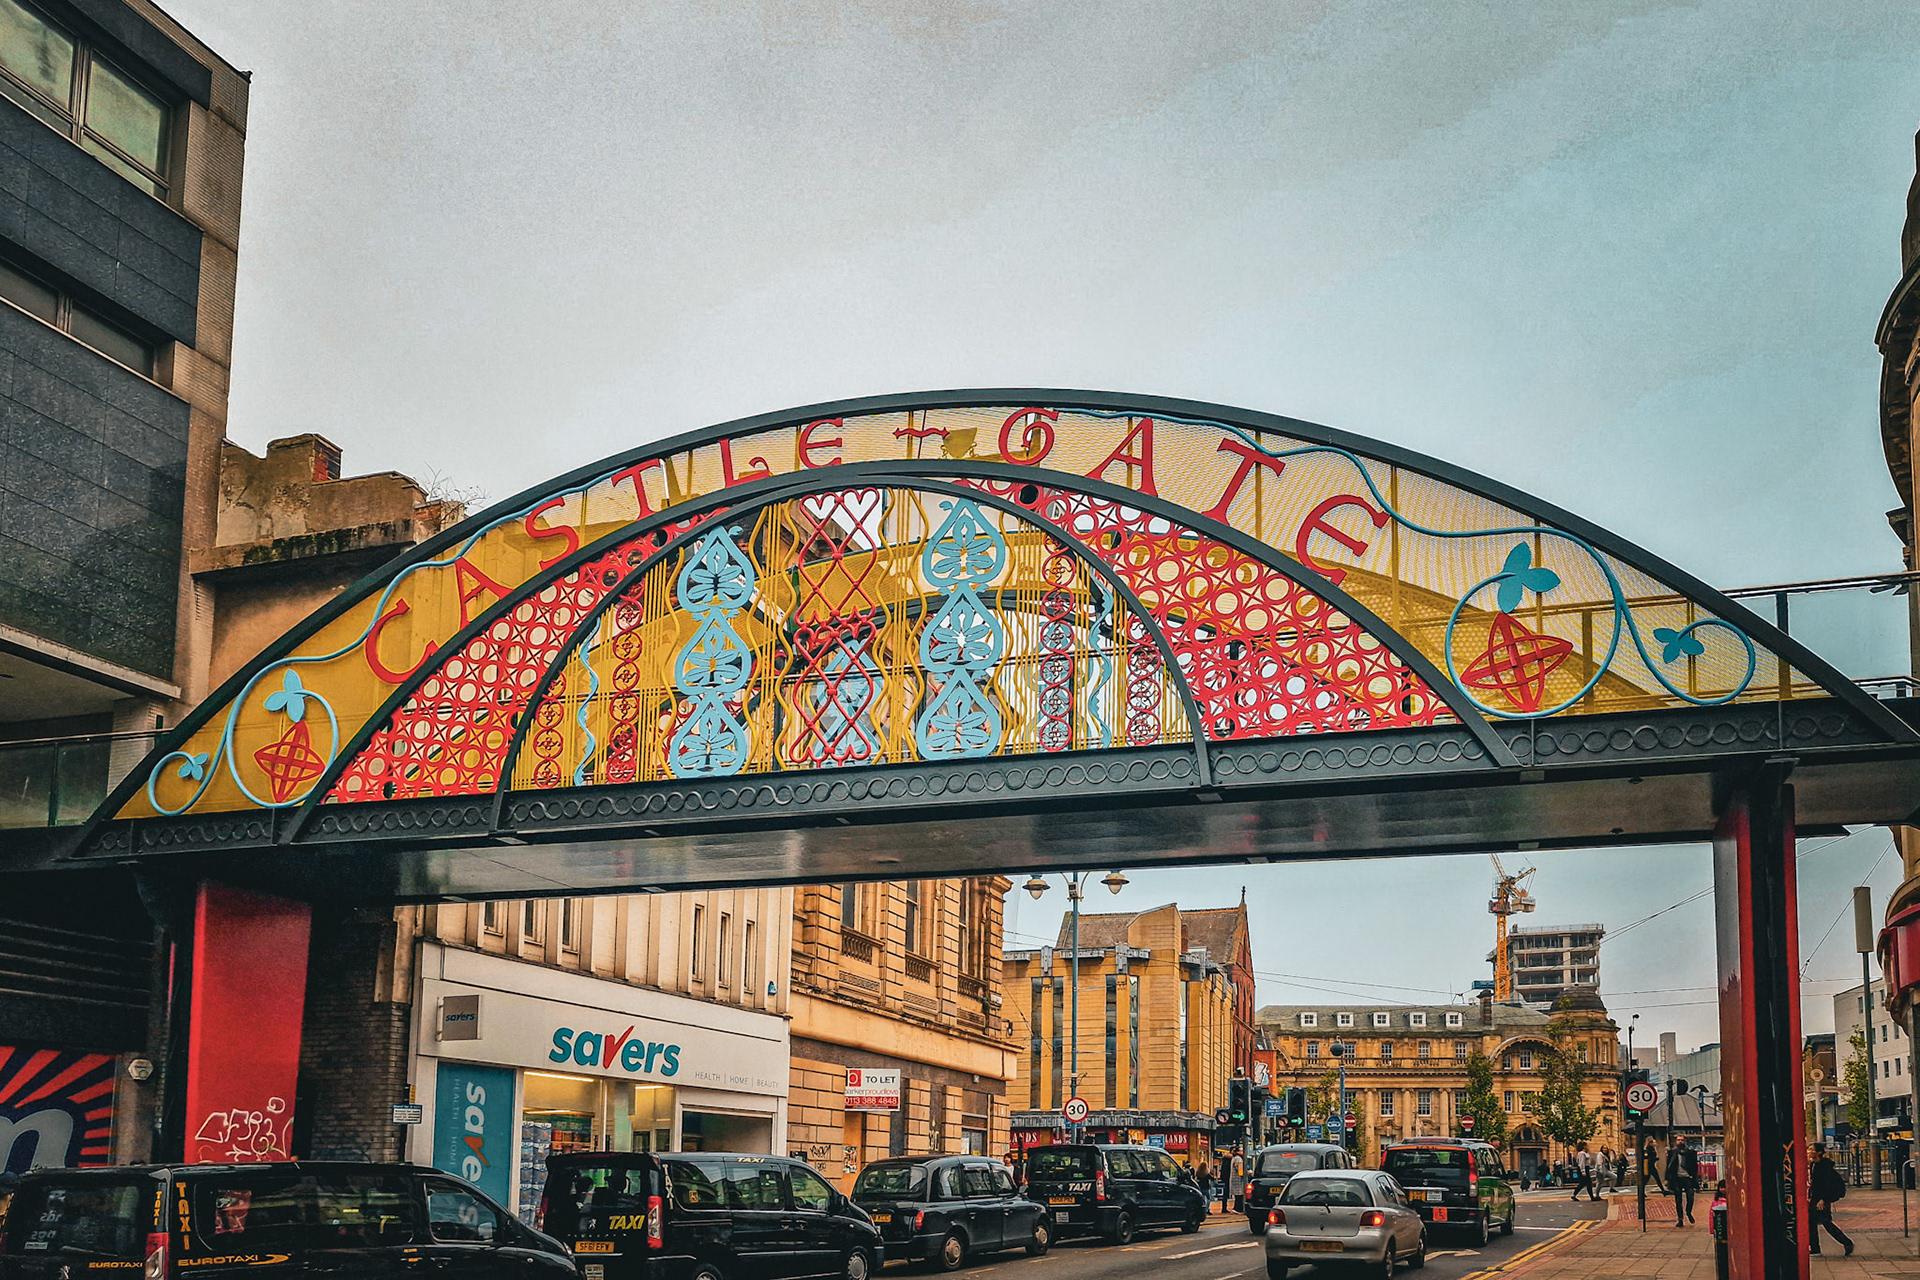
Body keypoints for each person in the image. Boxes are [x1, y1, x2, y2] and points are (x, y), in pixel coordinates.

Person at [1809, 1143, 1854, 1257]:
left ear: (1819, 1152)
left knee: (1826, 1222)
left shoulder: (1824, 1167)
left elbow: (1826, 1185)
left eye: (1811, 1150)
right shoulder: (1812, 1165)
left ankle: (1846, 1242)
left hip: (1822, 1199)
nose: (1808, 1152)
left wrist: (1824, 1199)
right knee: (1812, 1222)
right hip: (1814, 1198)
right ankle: (1815, 1248)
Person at [1665, 1140, 1697, 1225]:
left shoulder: (1690, 1153)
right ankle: (1680, 1218)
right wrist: (1667, 1178)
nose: (1680, 1142)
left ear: (1685, 1141)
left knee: (1690, 1196)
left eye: (1682, 1140)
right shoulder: (1673, 1153)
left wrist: (1695, 1178)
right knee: (1678, 1199)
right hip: (1677, 1178)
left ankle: (1688, 1212)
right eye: (1678, 1140)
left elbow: (1694, 1166)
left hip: (1687, 1177)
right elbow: (1668, 1165)